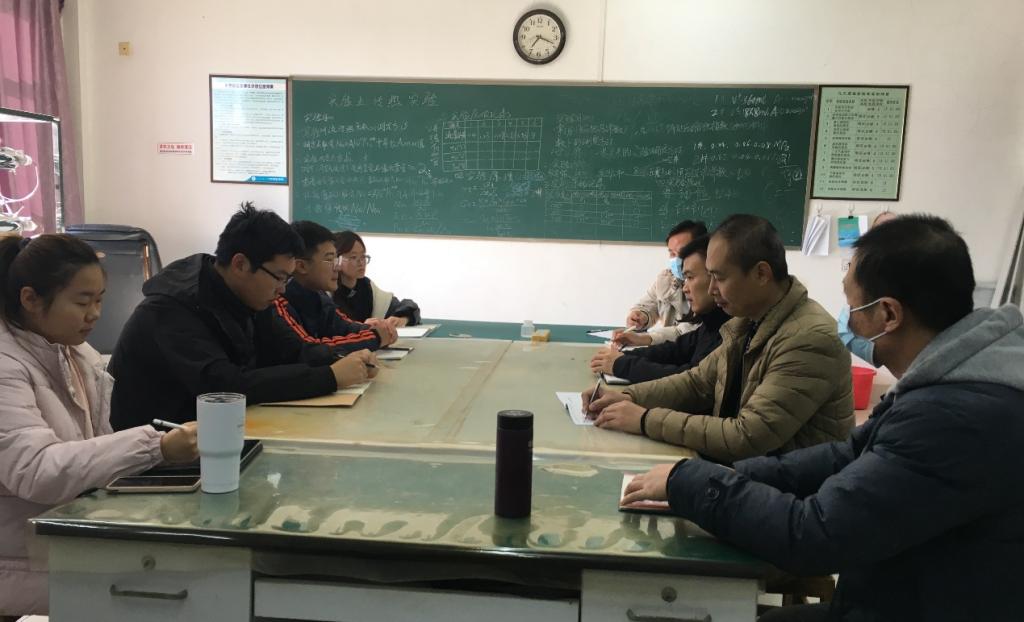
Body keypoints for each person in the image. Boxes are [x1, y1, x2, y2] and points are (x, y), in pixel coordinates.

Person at [621, 215, 1024, 621]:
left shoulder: (953, 416)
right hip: (898, 592)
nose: (847, 321)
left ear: (888, 314)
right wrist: (726, 476)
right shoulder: (951, 382)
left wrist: (691, 481)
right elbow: (848, 453)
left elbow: (813, 534)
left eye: (853, 307)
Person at [0, 235, 198, 617]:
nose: (94, 314)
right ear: (30, 299)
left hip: (67, 537)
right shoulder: (7, 365)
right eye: (82, 302)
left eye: (99, 300)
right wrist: (154, 447)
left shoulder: (74, 352)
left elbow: (91, 451)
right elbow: (36, 470)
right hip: (21, 561)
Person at [583, 214, 853, 463]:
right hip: (750, 473)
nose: (712, 289)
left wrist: (644, 419)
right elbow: (697, 381)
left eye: (719, 278)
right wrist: (627, 396)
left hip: (788, 489)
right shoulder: (747, 322)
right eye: (709, 276)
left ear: (761, 274)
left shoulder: (809, 339)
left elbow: (747, 436)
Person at [109, 203, 377, 430]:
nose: (283, 289)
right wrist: (329, 377)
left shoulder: (248, 296)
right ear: (240, 264)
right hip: (157, 454)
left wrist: (342, 359)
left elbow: (291, 350)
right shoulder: (171, 309)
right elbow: (226, 388)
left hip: (220, 434)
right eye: (279, 277)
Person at [590, 235, 730, 383]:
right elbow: (677, 349)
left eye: (690, 277)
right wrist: (624, 356)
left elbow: (691, 380)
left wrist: (623, 364)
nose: (685, 288)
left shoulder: (729, 330)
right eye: (672, 253)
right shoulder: (710, 323)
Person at [273, 221, 397, 351]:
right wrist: (375, 337)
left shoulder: (319, 296)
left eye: (336, 259)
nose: (337, 267)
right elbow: (308, 350)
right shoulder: (278, 301)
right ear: (302, 266)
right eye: (329, 259)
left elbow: (344, 327)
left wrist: (376, 330)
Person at [621, 220, 708, 347]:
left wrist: (646, 338)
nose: (676, 259)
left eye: (682, 252)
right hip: (668, 350)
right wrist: (641, 316)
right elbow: (649, 304)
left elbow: (687, 332)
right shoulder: (666, 278)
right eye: (672, 253)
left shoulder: (708, 285)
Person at [333, 230, 420, 330]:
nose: (361, 263)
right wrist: (361, 327)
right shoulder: (327, 292)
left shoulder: (366, 286)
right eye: (353, 257)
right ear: (336, 260)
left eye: (363, 256)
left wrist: (402, 318)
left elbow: (409, 307)